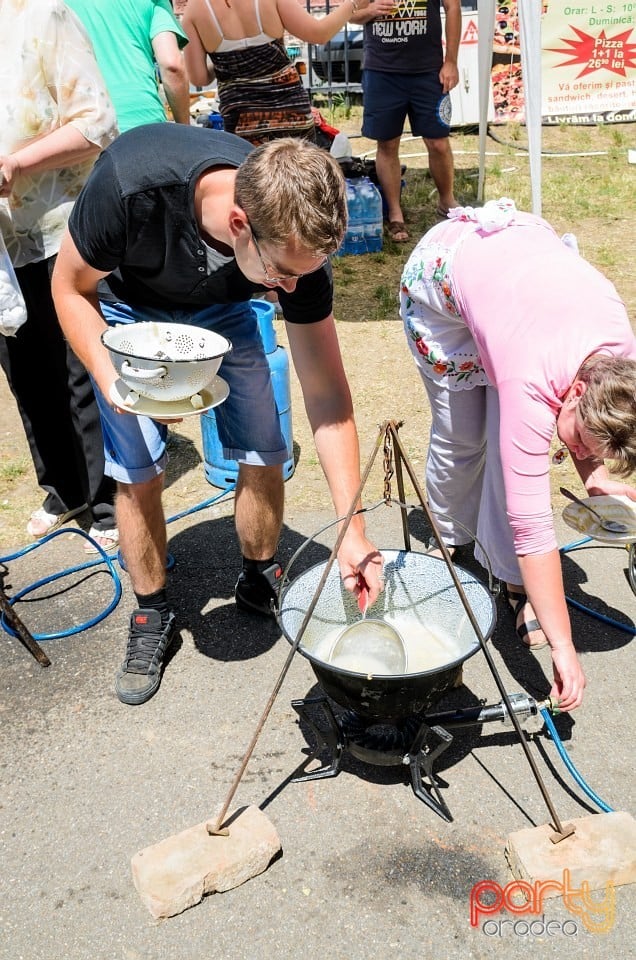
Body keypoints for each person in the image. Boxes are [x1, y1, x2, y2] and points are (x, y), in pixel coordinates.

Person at [51, 125, 383, 706]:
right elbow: (68, 287)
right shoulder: (132, 187)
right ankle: (152, 611)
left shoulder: (291, 247)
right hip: (128, 305)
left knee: (264, 441)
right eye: (283, 274)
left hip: (223, 307)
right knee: (136, 463)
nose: (293, 287)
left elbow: (328, 397)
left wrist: (351, 532)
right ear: (239, 227)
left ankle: (259, 575)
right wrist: (118, 380)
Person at [399, 198, 636, 713]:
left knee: (512, 475)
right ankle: (446, 538)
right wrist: (564, 645)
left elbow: (590, 428)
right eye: (576, 438)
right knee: (463, 438)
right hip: (447, 277)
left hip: (520, 291)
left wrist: (595, 474)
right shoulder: (535, 378)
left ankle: (512, 585)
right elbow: (533, 526)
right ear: (573, 390)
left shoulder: (623, 356)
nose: (571, 449)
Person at [0, 0, 119, 551]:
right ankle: (61, 490)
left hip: (63, 224)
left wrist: (15, 165)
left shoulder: (45, 14)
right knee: (24, 368)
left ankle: (105, 502)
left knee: (80, 369)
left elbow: (97, 124)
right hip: (4, 240)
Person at [182, 0, 371, 145]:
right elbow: (318, 33)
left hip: (241, 122)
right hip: (291, 113)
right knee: (300, 183)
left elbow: (199, 77)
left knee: (256, 187)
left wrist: (230, 62)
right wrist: (353, 4)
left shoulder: (193, 10)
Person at [351, 0, 460, 243]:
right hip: (382, 71)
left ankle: (447, 200)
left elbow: (453, 8)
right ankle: (395, 213)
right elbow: (351, 15)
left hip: (429, 70)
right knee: (388, 144)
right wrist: (370, 11)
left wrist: (451, 60)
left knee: (438, 143)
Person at [66, 0, 191, 133]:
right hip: (147, 122)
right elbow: (172, 65)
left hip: (89, 126)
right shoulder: (154, 2)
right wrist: (186, 130)